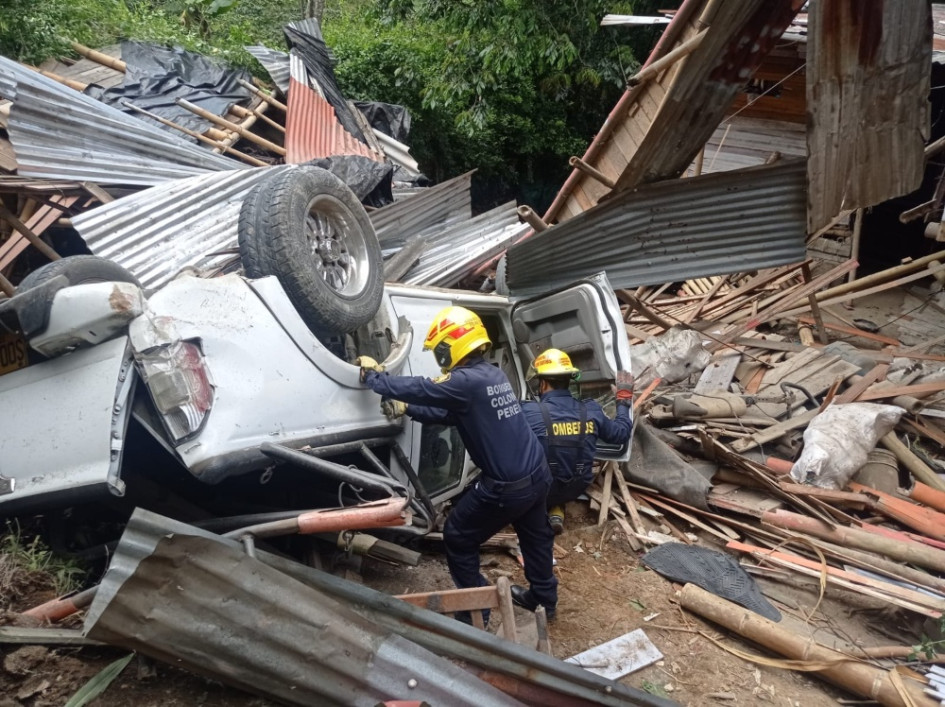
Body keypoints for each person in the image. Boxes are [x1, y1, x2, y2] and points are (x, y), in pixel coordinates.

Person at [356, 306, 558, 621]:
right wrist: (407, 408)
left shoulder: (465, 381)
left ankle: (476, 608)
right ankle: (544, 599)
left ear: (452, 344)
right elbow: (450, 414)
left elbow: (425, 387)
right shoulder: (491, 374)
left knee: (458, 536)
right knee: (535, 537)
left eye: (440, 350)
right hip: (537, 476)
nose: (440, 356)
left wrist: (375, 378)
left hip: (507, 487)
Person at [521, 348, 634, 535]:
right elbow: (621, 434)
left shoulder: (529, 412)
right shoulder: (591, 410)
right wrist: (623, 401)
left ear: (543, 384)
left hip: (541, 490)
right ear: (568, 381)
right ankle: (557, 509)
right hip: (576, 487)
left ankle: (539, 512)